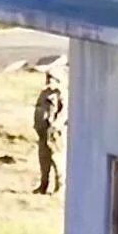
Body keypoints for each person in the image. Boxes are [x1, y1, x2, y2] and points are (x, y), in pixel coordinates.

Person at [32, 65, 67, 196]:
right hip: (42, 131)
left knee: (57, 158)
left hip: (54, 133)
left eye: (51, 78)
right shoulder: (44, 92)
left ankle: (60, 186)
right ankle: (43, 184)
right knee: (43, 159)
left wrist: (56, 125)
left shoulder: (61, 94)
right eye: (47, 78)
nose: (48, 81)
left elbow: (65, 112)